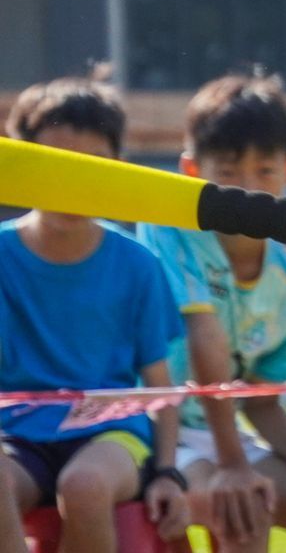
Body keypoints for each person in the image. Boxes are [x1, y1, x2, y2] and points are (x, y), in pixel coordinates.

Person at [135, 72, 286, 552]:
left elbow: (260, 399)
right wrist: (234, 464)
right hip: (150, 430)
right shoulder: (168, 229)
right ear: (192, 170)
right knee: (240, 510)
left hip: (223, 437)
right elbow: (203, 335)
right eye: (229, 170)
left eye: (265, 170)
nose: (248, 189)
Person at [1, 77, 191, 550]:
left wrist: (167, 473)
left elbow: (161, 385)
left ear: (117, 172)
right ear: (21, 166)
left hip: (111, 435)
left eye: (89, 170)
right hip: (15, 438)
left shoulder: (137, 264)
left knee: (84, 487)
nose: (71, 189)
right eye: (53, 168)